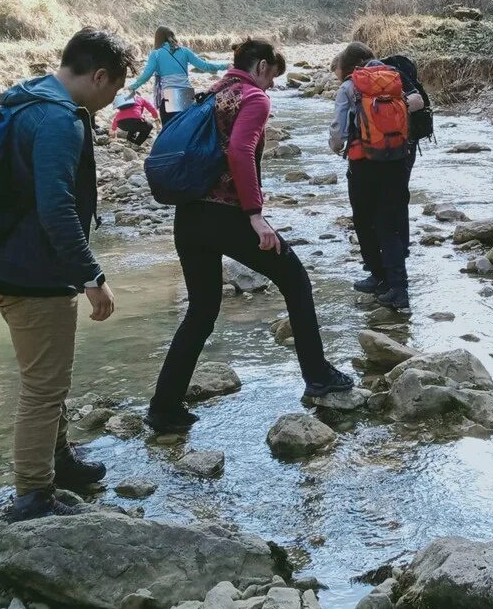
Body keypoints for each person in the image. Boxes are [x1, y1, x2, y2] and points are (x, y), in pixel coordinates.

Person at [0, 28, 137, 522]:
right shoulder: (60, 120)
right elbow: (55, 206)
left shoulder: (24, 100)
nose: (111, 100)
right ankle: (33, 495)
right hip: (33, 272)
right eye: (115, 89)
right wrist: (92, 275)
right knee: (43, 387)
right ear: (99, 75)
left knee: (46, 375)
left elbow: (2, 188)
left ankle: (58, 461)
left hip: (5, 261)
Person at [147, 37, 354, 432]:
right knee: (295, 279)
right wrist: (255, 215)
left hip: (188, 217)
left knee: (202, 311)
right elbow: (240, 151)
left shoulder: (213, 93)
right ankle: (318, 377)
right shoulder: (252, 98)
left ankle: (163, 407)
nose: (272, 86)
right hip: (225, 216)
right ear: (260, 66)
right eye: (272, 76)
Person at [328, 41, 425, 311]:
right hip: (395, 160)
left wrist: (337, 148)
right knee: (389, 221)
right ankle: (398, 286)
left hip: (363, 163)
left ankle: (378, 276)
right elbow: (417, 105)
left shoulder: (349, 87)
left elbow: (338, 133)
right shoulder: (395, 79)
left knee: (363, 220)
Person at [129, 26, 228, 125]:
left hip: (169, 95)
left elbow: (146, 75)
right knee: (186, 129)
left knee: (168, 130)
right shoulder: (184, 51)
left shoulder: (156, 54)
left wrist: (133, 86)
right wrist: (225, 66)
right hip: (187, 94)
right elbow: (205, 66)